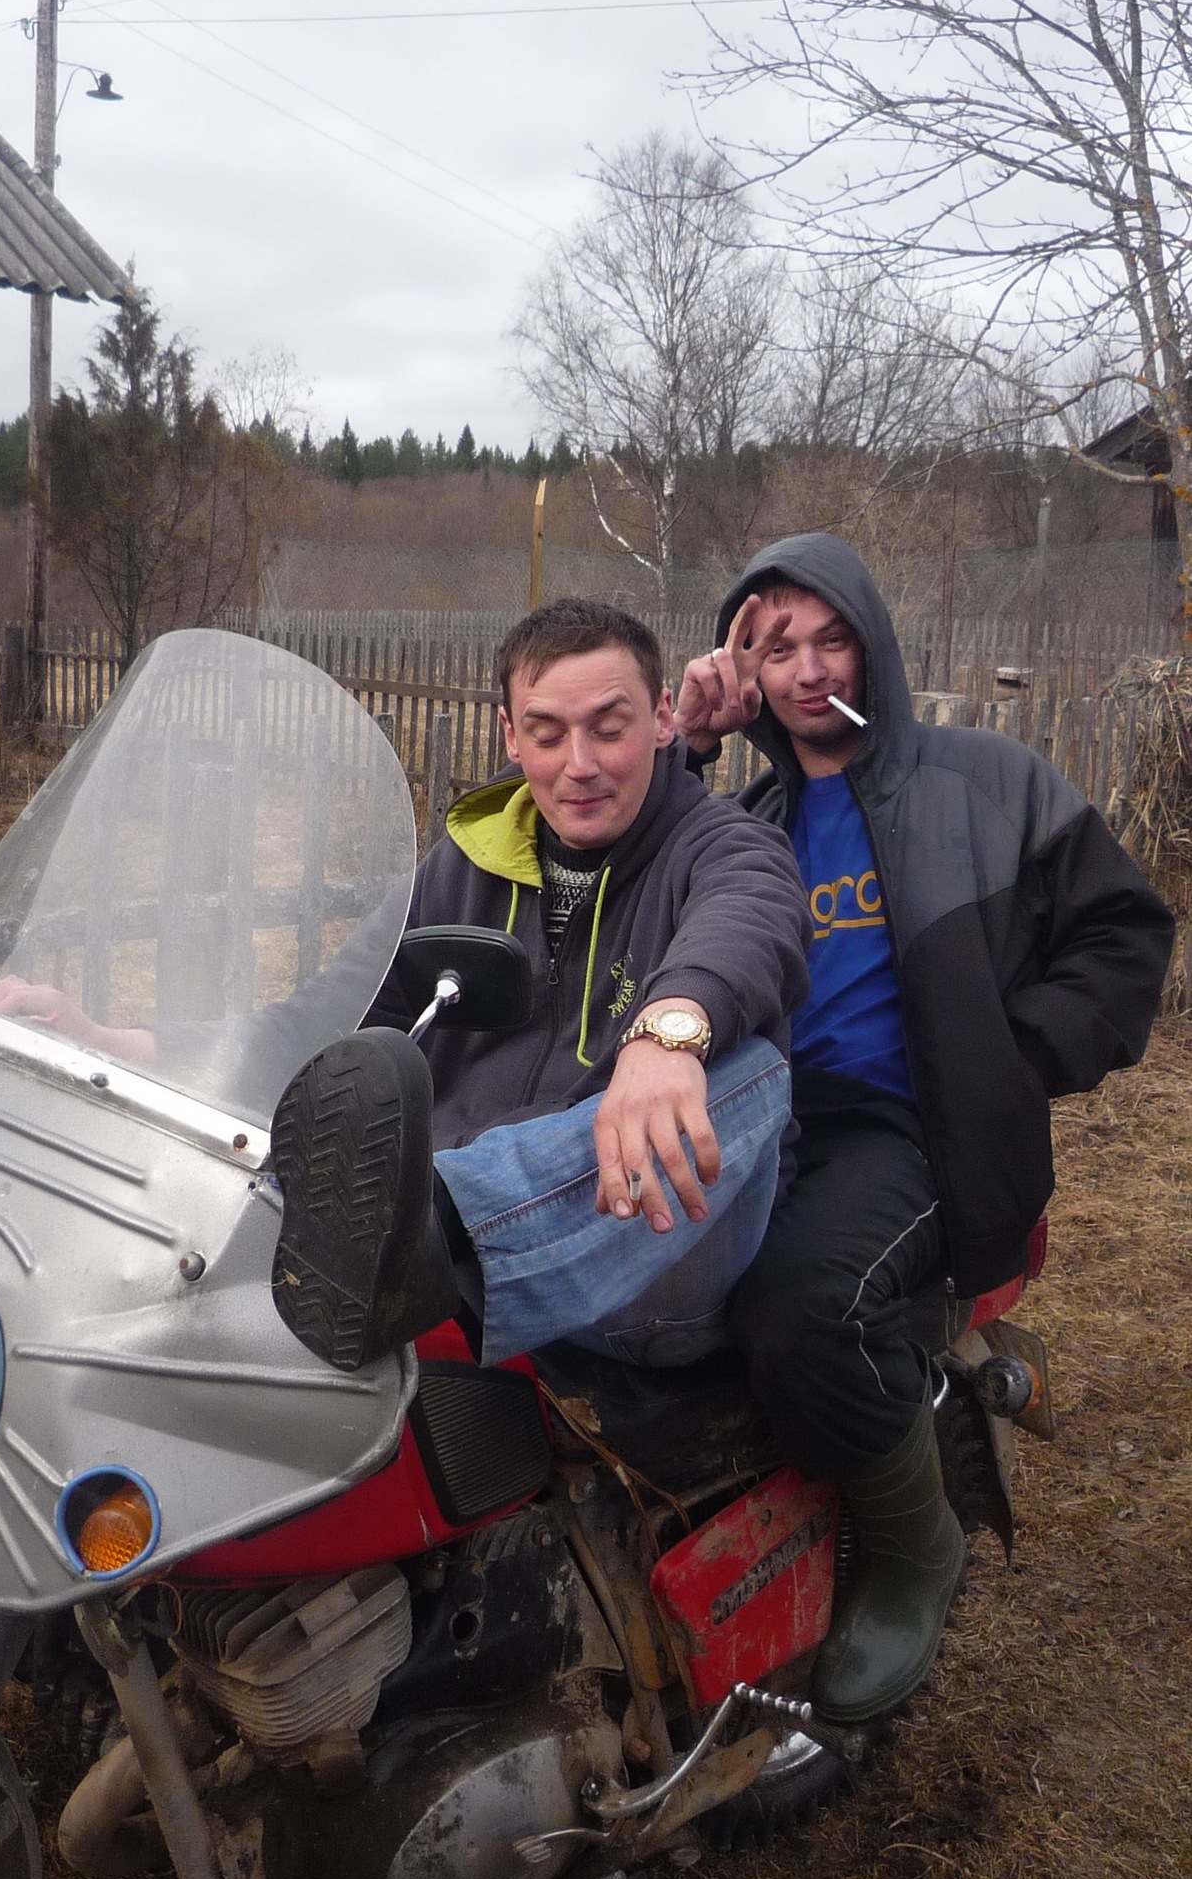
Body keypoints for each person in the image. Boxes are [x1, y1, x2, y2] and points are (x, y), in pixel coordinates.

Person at [668, 532, 1174, 1725]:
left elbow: (1125, 932)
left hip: (913, 1127)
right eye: (773, 647)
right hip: (770, 1117)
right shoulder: (747, 817)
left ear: (873, 642)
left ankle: (913, 1547)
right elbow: (629, 889)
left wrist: (1012, 1057)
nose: (806, 669)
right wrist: (683, 747)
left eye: (829, 637)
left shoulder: (981, 780)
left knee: (800, 1307)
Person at [266, 598, 812, 1380]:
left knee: (753, 1072)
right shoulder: (465, 862)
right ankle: (408, 1234)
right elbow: (335, 1007)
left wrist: (669, 1032)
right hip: (432, 1254)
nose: (579, 764)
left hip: (645, 1262)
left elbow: (750, 918)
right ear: (511, 736)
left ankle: (431, 1229)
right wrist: (147, 1050)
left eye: (609, 729)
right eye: (548, 734)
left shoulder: (727, 845)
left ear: (663, 719)